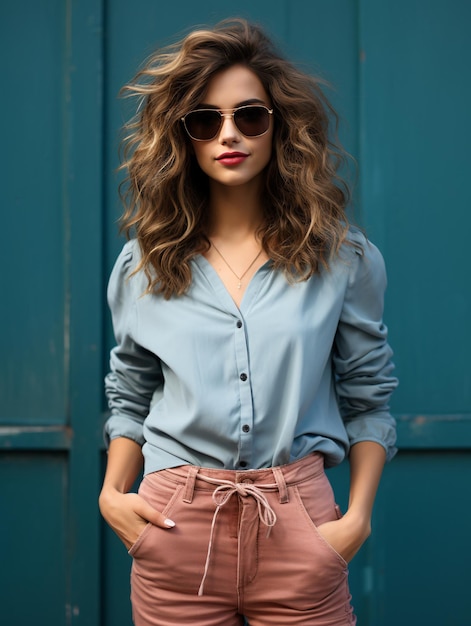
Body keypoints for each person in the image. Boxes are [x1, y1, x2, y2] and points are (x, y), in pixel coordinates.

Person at [99, 17, 398, 626]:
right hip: (175, 531)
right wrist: (112, 496)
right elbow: (130, 394)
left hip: (301, 529)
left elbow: (369, 398)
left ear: (278, 126)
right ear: (184, 138)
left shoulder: (341, 257)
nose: (228, 135)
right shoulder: (142, 264)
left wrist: (356, 520)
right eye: (205, 121)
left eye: (250, 116)